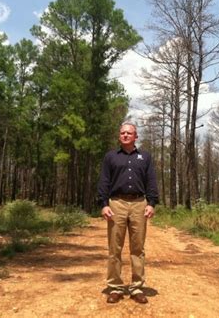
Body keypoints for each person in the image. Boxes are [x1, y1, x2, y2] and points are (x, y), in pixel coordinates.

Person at [97, 122, 159, 304]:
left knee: (138, 248)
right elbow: (104, 181)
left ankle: (137, 287)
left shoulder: (145, 157)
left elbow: (151, 180)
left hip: (140, 203)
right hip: (116, 203)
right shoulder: (110, 157)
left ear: (135, 136)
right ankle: (115, 287)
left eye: (129, 133)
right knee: (114, 248)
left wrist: (152, 203)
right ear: (119, 136)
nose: (125, 135)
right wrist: (103, 203)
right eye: (122, 133)